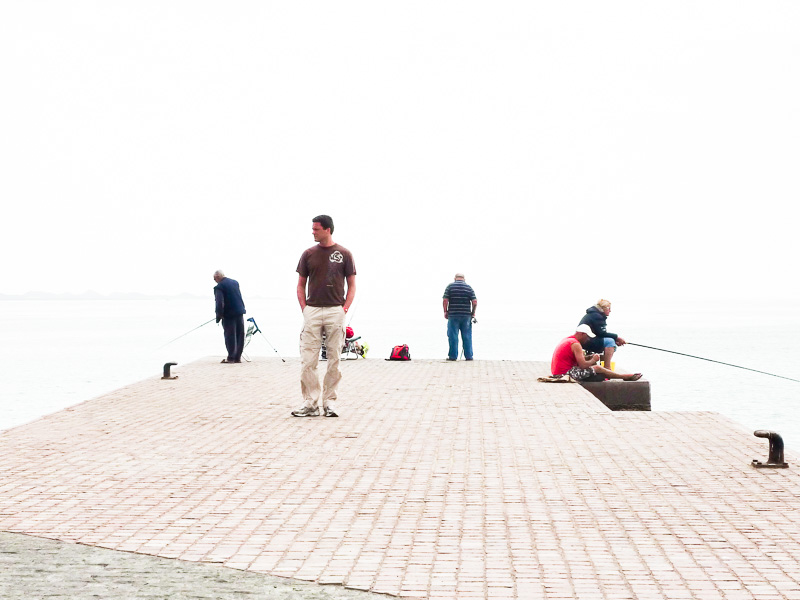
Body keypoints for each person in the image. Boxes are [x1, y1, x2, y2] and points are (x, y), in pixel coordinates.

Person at [292, 215, 356, 418]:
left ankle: (330, 403)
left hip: (335, 310)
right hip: (312, 310)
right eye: (312, 229)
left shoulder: (344, 253)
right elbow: (301, 284)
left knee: (334, 358)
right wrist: (304, 308)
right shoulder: (308, 254)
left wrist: (344, 308)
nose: (312, 232)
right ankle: (310, 403)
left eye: (316, 229)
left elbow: (352, 284)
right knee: (308, 359)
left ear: (327, 230)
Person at [551, 324, 641, 381]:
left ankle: (609, 376)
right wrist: (593, 359)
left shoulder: (568, 339)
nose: (588, 339)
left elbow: (576, 360)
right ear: (582, 334)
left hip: (557, 372)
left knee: (597, 373)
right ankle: (624, 377)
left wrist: (588, 357)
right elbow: (583, 365)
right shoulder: (575, 344)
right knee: (597, 367)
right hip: (563, 374)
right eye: (587, 337)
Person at [579, 299, 627, 370]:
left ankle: (602, 364)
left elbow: (598, 333)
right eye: (609, 308)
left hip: (586, 339)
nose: (610, 311)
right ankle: (607, 367)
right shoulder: (597, 316)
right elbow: (601, 333)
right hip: (587, 340)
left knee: (611, 342)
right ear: (603, 308)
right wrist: (617, 338)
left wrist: (615, 340)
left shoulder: (594, 314)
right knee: (610, 342)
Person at [213, 270, 246, 364]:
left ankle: (231, 358)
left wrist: (218, 316)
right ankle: (237, 358)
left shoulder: (219, 287)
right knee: (240, 335)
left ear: (218, 277)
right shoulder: (235, 282)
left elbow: (219, 303)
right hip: (239, 311)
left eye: (214, 278)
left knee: (230, 335)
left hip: (228, 314)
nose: (214, 281)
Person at [443, 273, 477, 361]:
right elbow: (474, 302)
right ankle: (469, 356)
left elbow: (445, 300)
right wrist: (473, 313)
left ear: (455, 278)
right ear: (464, 279)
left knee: (453, 336)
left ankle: (453, 356)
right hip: (466, 316)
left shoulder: (450, 287)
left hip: (453, 315)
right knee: (467, 336)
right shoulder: (469, 288)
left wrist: (445, 311)